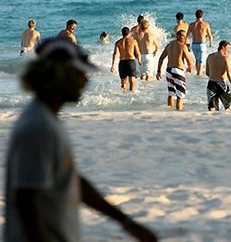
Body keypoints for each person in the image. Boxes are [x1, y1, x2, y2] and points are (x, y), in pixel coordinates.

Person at [4, 37, 158, 242]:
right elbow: (25, 200)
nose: (85, 81)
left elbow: (72, 180)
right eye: (80, 73)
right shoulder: (38, 128)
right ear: (60, 76)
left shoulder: (48, 120)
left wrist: (126, 222)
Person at [156, 30, 193, 111]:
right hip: (178, 70)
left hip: (169, 70)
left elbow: (161, 58)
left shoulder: (169, 45)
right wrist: (190, 67)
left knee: (171, 92)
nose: (184, 38)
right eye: (183, 36)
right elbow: (189, 61)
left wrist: (158, 71)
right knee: (180, 94)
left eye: (185, 36)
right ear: (178, 36)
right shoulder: (183, 46)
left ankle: (170, 112)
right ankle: (178, 112)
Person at [205, 40, 231, 111]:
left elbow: (207, 73)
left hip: (211, 84)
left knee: (212, 108)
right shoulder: (226, 58)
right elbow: (229, 74)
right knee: (227, 107)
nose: (229, 50)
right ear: (223, 47)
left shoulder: (210, 56)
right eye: (228, 48)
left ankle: (211, 121)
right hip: (222, 85)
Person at [111, 27, 142, 91]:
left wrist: (113, 65)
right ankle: (131, 97)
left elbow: (115, 54)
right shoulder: (133, 41)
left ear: (122, 33)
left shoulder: (118, 42)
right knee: (132, 81)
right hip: (130, 62)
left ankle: (123, 97)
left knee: (123, 82)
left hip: (122, 63)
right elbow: (137, 52)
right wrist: (139, 60)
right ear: (129, 33)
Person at [186, 9, 213, 75]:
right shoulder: (205, 24)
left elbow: (187, 36)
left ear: (195, 16)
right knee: (200, 61)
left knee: (197, 60)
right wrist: (210, 43)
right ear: (202, 15)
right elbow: (210, 36)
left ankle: (197, 74)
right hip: (202, 45)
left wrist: (187, 45)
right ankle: (199, 76)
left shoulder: (191, 25)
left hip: (194, 45)